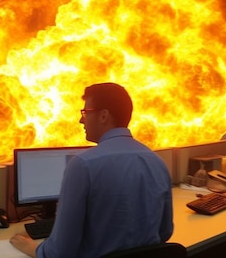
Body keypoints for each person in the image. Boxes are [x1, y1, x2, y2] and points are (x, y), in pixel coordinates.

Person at [10, 82, 174, 257]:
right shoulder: (157, 162)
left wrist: (30, 247)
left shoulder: (83, 164)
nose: (81, 120)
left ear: (103, 116)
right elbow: (165, 232)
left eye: (85, 112)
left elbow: (60, 252)